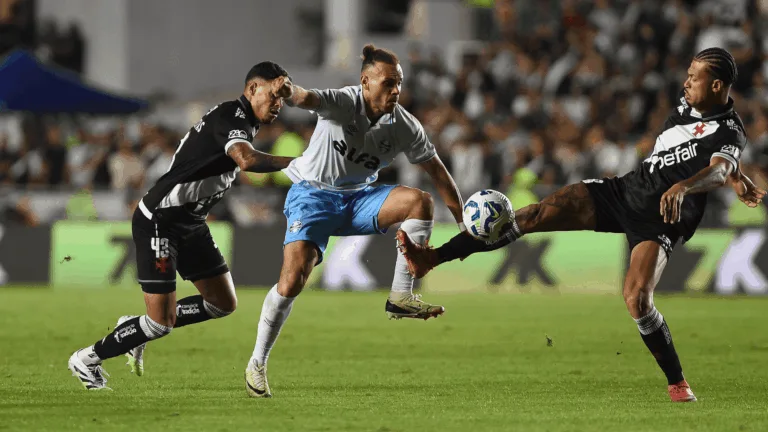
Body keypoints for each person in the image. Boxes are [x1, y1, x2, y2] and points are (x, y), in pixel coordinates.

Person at [396, 48, 766, 402]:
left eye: (694, 77)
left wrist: (703, 181)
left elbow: (718, 166)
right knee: (531, 215)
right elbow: (722, 165)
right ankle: (433, 258)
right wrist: (736, 175)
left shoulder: (730, 130)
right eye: (687, 75)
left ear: (717, 86)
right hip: (625, 191)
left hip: (661, 219)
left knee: (637, 299)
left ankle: (678, 382)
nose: (685, 83)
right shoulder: (688, 106)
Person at [244, 44, 465, 398]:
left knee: (419, 202)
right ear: (365, 82)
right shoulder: (344, 102)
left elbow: (437, 173)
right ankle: (257, 362)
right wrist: (289, 91)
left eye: (399, 84)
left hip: (359, 199)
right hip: (313, 195)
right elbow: (308, 98)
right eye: (388, 83)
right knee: (290, 284)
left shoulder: (405, 125)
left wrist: (463, 224)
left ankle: (400, 296)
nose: (395, 91)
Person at [68, 62, 296, 390]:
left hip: (190, 223)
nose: (279, 103)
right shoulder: (232, 117)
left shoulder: (243, 121)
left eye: (283, 98)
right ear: (252, 90)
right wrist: (302, 163)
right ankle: (87, 358)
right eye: (274, 95)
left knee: (222, 303)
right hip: (160, 220)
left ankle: (133, 327)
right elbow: (246, 161)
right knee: (161, 323)